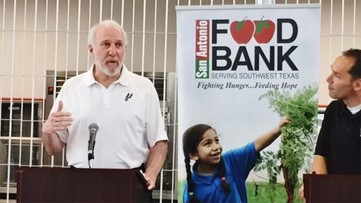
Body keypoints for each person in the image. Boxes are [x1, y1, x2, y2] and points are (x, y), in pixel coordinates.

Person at [41, 19, 168, 191]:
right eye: (105, 44)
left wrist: (151, 174)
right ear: (91, 49)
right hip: (80, 184)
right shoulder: (72, 88)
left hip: (130, 183)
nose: (113, 52)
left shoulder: (144, 88)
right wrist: (48, 132)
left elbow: (159, 142)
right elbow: (53, 148)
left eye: (119, 45)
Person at [299, 48, 361, 200]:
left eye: (337, 75)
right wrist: (316, 187)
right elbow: (321, 154)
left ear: (357, 84)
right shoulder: (333, 110)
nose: (328, 79)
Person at [182, 117, 289, 203]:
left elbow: (255, 146)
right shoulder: (191, 189)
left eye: (217, 140)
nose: (216, 147)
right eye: (207, 144)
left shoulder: (231, 161)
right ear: (193, 155)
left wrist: (278, 129)